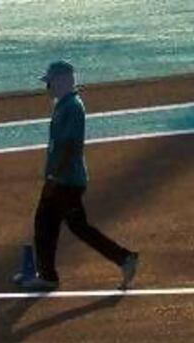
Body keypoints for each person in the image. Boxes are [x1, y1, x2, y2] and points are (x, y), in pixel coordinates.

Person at [19, 60, 139, 291]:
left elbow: (69, 147)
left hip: (65, 182)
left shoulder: (72, 107)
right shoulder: (65, 105)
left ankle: (48, 276)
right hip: (65, 180)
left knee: (46, 224)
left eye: (51, 82)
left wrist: (54, 177)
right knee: (73, 226)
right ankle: (123, 259)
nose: (48, 87)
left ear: (62, 81)